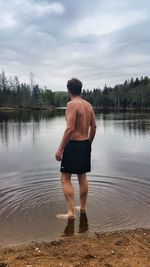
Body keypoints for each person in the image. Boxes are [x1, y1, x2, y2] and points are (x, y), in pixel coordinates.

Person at [55, 78, 96, 219]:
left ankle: (71, 212)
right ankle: (82, 208)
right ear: (80, 89)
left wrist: (60, 149)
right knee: (82, 176)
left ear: (69, 90)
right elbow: (94, 127)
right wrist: (88, 143)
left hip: (73, 145)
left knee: (65, 178)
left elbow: (69, 129)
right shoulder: (88, 105)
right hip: (85, 143)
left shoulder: (72, 104)